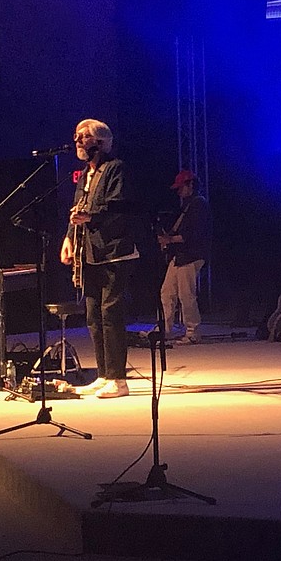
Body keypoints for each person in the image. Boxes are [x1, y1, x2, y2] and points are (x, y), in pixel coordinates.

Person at [60, 119, 139, 399]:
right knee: (93, 315)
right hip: (90, 252)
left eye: (84, 136)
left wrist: (92, 217)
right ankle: (104, 374)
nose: (78, 140)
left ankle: (119, 379)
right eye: (77, 135)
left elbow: (121, 206)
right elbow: (77, 209)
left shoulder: (116, 168)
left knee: (111, 313)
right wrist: (69, 237)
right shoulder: (85, 174)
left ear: (101, 142)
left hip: (115, 251)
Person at [158, 169, 211, 343]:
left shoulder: (198, 204)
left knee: (186, 294)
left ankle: (192, 331)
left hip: (191, 255)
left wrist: (169, 239)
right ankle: (165, 329)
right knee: (167, 292)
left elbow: (193, 234)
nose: (178, 191)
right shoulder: (188, 205)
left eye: (181, 187)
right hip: (181, 255)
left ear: (190, 185)